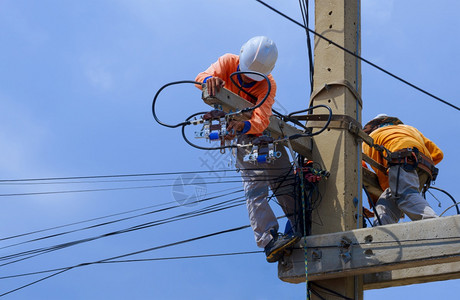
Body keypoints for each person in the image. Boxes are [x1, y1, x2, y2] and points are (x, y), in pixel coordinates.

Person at [195, 36, 300, 262]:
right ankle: (268, 239)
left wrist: (243, 124)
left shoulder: (268, 84)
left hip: (261, 133)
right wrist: (209, 81)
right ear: (240, 57)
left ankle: (302, 224)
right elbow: (200, 78)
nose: (248, 82)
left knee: (286, 182)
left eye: (253, 80)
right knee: (256, 185)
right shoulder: (227, 61)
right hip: (243, 138)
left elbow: (261, 120)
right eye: (244, 76)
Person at [362, 114, 443, 226]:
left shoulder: (370, 138)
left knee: (405, 195)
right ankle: (379, 235)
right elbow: (438, 154)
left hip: (401, 160)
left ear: (375, 126)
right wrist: (419, 163)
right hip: (426, 169)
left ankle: (437, 226)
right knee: (384, 204)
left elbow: (359, 165)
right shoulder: (411, 129)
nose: (365, 131)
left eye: (366, 129)